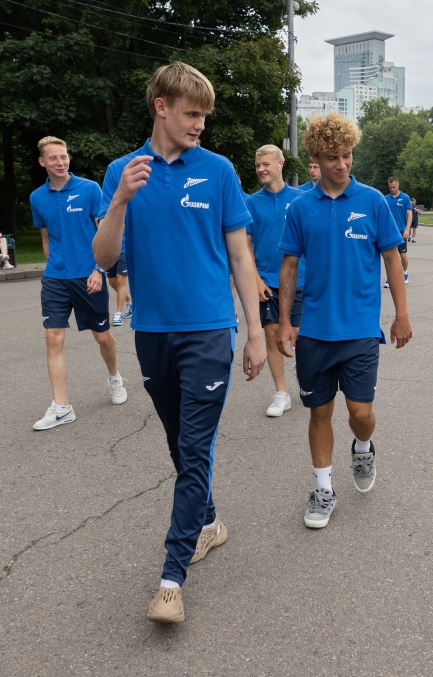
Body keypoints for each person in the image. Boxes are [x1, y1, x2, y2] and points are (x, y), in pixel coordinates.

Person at [94, 62, 265, 625]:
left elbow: (240, 255)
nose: (200, 125)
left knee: (194, 448)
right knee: (178, 442)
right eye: (192, 114)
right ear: (161, 107)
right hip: (153, 332)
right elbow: (104, 258)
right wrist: (120, 200)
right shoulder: (122, 172)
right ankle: (209, 521)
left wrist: (255, 331)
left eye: (204, 116)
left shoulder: (218, 171)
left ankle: (171, 579)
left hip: (210, 329)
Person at [276, 111, 412, 531]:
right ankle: (323, 489)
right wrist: (285, 322)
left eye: (347, 155)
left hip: (360, 330)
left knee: (360, 411)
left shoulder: (372, 201)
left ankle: (363, 448)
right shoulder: (300, 207)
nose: (341, 164)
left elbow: (392, 258)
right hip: (315, 330)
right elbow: (289, 268)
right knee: (319, 412)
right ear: (316, 158)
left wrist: (402, 314)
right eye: (332, 157)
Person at [29, 136, 127, 431]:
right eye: (54, 158)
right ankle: (62, 407)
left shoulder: (89, 189)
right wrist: (51, 266)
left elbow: (104, 231)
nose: (61, 162)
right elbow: (46, 238)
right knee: (53, 338)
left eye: (64, 156)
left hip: (89, 275)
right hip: (56, 278)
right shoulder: (37, 197)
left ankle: (114, 377)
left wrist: (99, 269)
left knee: (102, 337)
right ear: (42, 162)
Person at [245, 144, 302, 418]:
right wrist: (255, 280)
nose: (261, 169)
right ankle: (281, 393)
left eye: (266, 164)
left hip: (299, 279)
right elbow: (245, 246)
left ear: (280, 164)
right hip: (267, 280)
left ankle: (307, 378)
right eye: (258, 165)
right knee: (271, 333)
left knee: (300, 336)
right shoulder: (251, 203)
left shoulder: (301, 198)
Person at [383, 177, 412, 286]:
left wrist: (407, 229)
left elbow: (409, 214)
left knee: (403, 255)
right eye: (390, 187)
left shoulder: (405, 198)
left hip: (401, 231)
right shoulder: (385, 198)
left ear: (398, 185)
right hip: (389, 231)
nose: (392, 189)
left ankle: (405, 273)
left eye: (394, 187)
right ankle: (390, 278)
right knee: (389, 256)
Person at [106, 244, 132, 326]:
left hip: (124, 250)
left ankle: (118, 313)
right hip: (109, 252)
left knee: (121, 280)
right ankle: (130, 302)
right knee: (112, 282)